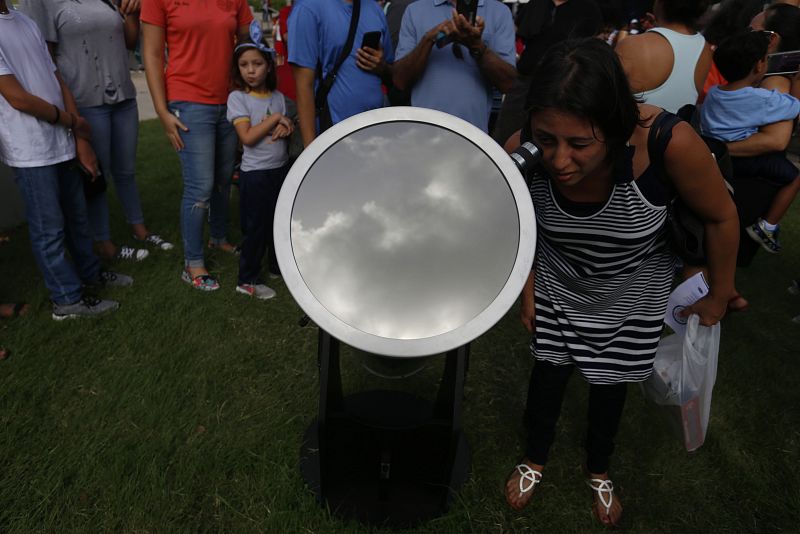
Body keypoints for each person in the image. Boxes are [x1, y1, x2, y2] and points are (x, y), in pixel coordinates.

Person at [502, 38, 738, 526]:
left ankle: (599, 468)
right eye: (547, 140)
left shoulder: (667, 142)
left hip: (633, 294)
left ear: (616, 127)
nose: (559, 160)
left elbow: (721, 216)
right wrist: (528, 289)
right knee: (546, 378)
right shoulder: (523, 148)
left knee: (611, 386)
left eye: (580, 144)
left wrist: (718, 294)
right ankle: (534, 459)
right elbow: (515, 224)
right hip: (559, 286)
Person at [0, 1, 130, 320]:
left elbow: (55, 77)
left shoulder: (24, 21)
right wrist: (71, 123)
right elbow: (16, 98)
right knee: (50, 229)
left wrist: (76, 128)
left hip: (61, 139)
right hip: (29, 147)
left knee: (77, 218)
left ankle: (91, 275)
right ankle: (66, 300)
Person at [19, 0, 173, 264]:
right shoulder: (45, 3)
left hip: (123, 97)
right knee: (96, 176)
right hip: (86, 101)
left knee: (126, 171)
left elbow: (128, 41)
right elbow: (47, 60)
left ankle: (140, 229)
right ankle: (103, 242)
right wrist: (71, 117)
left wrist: (132, 16)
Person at [141, 0, 253, 291]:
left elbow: (245, 42)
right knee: (200, 185)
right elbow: (152, 54)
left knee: (223, 178)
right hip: (188, 101)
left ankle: (218, 238)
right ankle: (193, 263)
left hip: (228, 100)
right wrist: (161, 111)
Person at [700, 31, 800, 253]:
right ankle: (767, 226)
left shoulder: (715, 92)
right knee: (794, 178)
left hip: (716, 154)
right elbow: (794, 106)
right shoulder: (761, 100)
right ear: (758, 66)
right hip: (743, 161)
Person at [227, 22, 294, 300]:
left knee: (278, 223)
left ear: (269, 66)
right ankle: (247, 279)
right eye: (244, 65)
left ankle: (278, 267)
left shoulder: (278, 98)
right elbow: (248, 137)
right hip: (254, 175)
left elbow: (285, 122)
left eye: (256, 63)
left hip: (279, 171)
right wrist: (275, 119)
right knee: (255, 228)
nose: (250, 70)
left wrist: (286, 123)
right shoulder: (238, 98)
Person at [392, 0, 516, 131]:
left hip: (473, 135)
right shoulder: (415, 10)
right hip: (424, 132)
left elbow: (508, 84)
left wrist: (476, 46)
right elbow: (400, 81)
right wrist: (429, 39)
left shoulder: (499, 12)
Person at [491, 0, 603, 145]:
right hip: (525, 81)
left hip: (562, 84)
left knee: (547, 137)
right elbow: (518, 31)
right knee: (506, 134)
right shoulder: (537, 3)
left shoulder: (588, 7)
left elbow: (594, 45)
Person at [288, 0, 394, 147]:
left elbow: (390, 69)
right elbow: (303, 86)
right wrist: (311, 154)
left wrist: (381, 65)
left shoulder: (374, 8)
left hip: (376, 131)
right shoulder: (307, 9)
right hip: (334, 132)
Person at [617, 0, 713, 113]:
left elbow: (605, 95)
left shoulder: (633, 45)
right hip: (677, 129)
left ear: (661, 3)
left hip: (632, 129)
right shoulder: (704, 48)